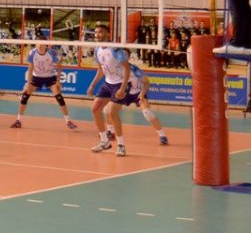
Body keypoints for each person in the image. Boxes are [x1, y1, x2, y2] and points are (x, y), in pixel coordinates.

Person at [85, 24, 131, 156]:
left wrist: (122, 88)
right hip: (108, 83)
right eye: (95, 32)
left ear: (107, 34)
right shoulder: (97, 50)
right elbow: (101, 70)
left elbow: (126, 69)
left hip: (120, 83)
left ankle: (121, 145)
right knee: (95, 109)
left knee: (111, 112)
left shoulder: (115, 49)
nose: (97, 35)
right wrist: (92, 85)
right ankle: (104, 141)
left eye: (100, 32)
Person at [11, 43, 77, 130]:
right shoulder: (32, 53)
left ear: (46, 45)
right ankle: (18, 121)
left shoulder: (51, 53)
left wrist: (58, 82)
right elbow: (30, 68)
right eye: (38, 43)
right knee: (25, 97)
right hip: (36, 77)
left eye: (42, 44)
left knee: (59, 97)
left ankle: (68, 121)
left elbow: (59, 66)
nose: (39, 45)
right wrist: (28, 83)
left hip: (50, 77)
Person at [107, 61, 169, 148]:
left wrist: (142, 94)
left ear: (128, 58)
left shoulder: (134, 69)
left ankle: (162, 136)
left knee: (148, 113)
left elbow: (146, 82)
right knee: (109, 110)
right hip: (123, 93)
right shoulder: (115, 68)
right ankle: (110, 131)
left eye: (125, 55)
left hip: (138, 93)